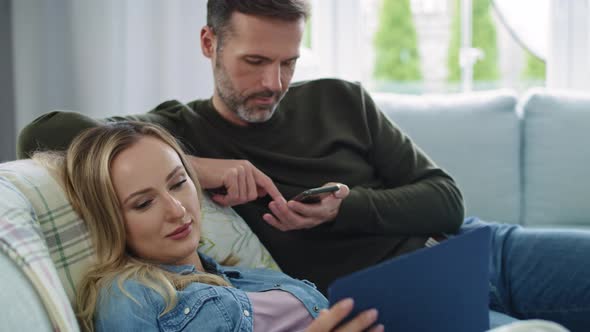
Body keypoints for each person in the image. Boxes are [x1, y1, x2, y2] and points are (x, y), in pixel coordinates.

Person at [17, 0, 590, 330]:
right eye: (255, 61)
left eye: (289, 62)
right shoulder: (175, 134)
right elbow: (43, 134)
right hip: (398, 297)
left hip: (476, 245)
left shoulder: (341, 98)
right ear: (208, 43)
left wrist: (347, 209)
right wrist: (196, 168)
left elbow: (445, 197)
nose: (273, 83)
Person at [38, 121, 383, 332]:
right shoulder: (128, 295)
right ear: (109, 219)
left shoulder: (250, 278)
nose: (176, 210)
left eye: (178, 182)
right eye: (143, 203)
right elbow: (46, 129)